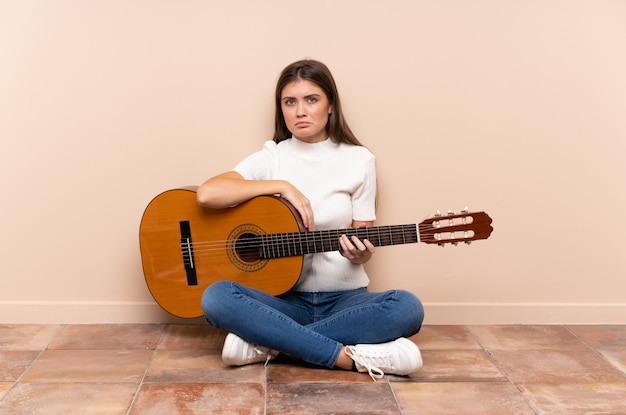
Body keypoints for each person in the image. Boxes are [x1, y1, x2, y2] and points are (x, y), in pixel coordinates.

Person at [198, 59, 424, 380]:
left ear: (330, 105)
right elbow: (208, 193)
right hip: (283, 301)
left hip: (345, 301)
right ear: (282, 109)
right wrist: (282, 186)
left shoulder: (359, 160)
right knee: (216, 297)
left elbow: (364, 241)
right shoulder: (273, 157)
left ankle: (270, 343)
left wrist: (361, 253)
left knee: (407, 307)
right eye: (290, 102)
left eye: (311, 100)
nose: (300, 111)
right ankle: (350, 359)